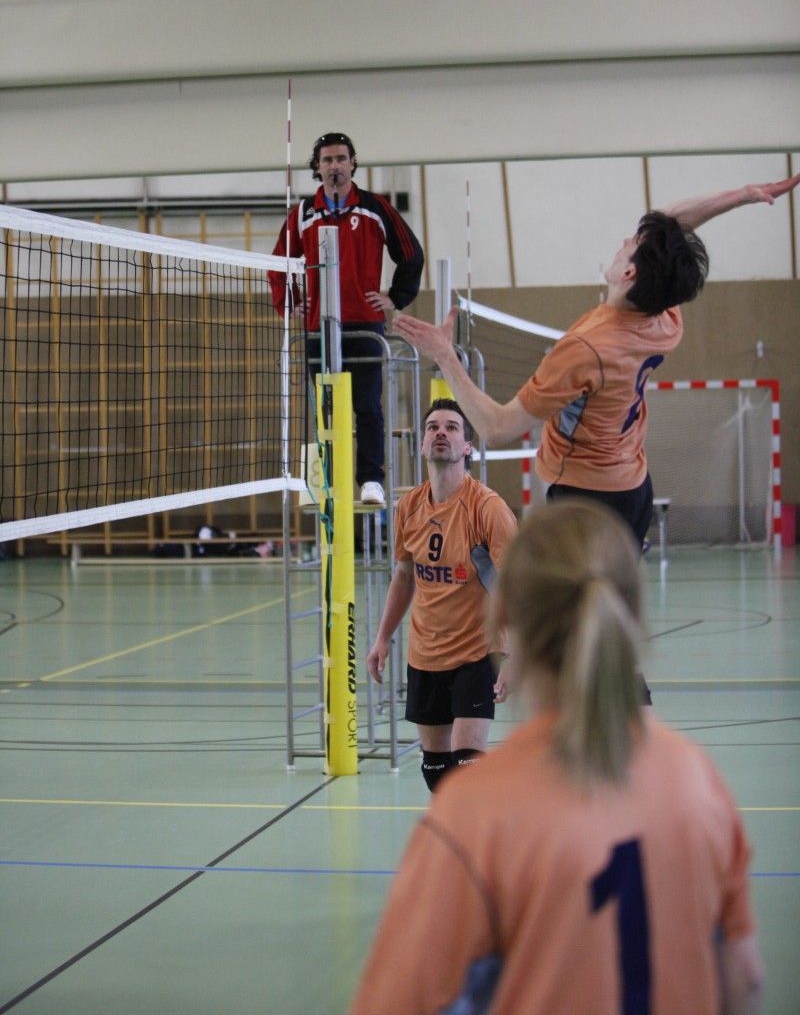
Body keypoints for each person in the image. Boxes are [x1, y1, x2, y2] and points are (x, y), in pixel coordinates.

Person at [395, 172, 800, 701]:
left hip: (587, 503)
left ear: (629, 271)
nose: (625, 240)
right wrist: (743, 197)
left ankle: (617, 724)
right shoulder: (664, 316)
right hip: (633, 487)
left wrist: (445, 356)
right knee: (597, 626)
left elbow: (496, 426)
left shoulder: (585, 350)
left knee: (580, 640)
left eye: (630, 244)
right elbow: (670, 227)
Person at [351, 500, 764, 1015]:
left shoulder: (472, 813)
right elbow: (744, 981)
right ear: (633, 616)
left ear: (503, 615)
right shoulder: (698, 781)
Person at [366, 398, 517, 792]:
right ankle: (457, 830)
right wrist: (383, 638)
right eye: (433, 427)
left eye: (452, 427)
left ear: (467, 446)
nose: (441, 433)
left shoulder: (487, 508)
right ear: (421, 444)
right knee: (436, 772)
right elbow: (404, 576)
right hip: (425, 653)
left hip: (477, 653)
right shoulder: (408, 506)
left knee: (467, 765)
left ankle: (483, 831)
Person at [269, 132, 424, 504]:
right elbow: (278, 264)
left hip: (365, 325)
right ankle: (328, 479)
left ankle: (371, 480)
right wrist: (291, 303)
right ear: (317, 167)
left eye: (341, 158)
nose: (334, 165)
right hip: (318, 328)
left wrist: (395, 297)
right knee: (325, 409)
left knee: (368, 407)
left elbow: (411, 253)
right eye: (327, 160)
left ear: (353, 163)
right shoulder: (303, 214)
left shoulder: (374, 207)